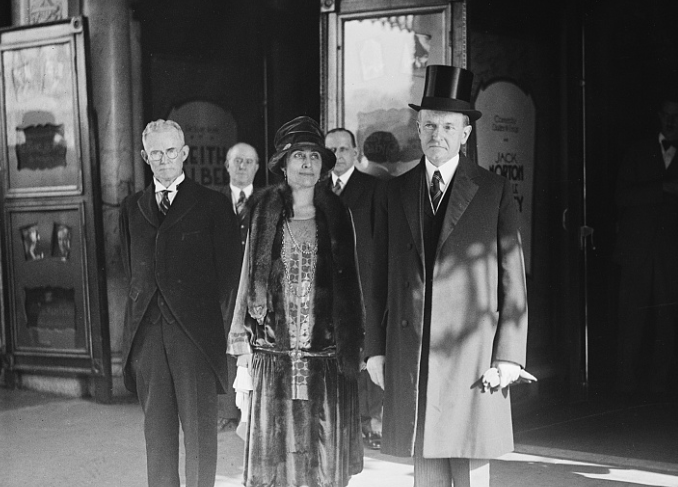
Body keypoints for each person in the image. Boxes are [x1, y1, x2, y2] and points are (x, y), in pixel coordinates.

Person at [365, 65, 530, 487]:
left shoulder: (493, 190)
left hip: (471, 352)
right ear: (418, 129)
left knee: (470, 462)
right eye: (429, 125)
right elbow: (377, 277)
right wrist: (375, 350)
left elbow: (513, 279)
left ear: (465, 134)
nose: (437, 134)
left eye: (448, 127)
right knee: (426, 466)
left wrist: (509, 356)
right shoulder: (394, 191)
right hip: (414, 353)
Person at [227, 116, 365, 487]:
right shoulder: (263, 212)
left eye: (314, 156)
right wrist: (241, 347)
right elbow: (247, 279)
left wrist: (356, 344)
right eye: (299, 156)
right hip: (273, 356)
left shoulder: (338, 215)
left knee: (322, 462)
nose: (307, 163)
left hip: (325, 358)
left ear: (323, 166)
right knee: (276, 464)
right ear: (284, 165)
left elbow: (352, 285)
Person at [119, 119, 240, 487]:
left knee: (200, 433)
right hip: (148, 336)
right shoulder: (131, 207)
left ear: (185, 153)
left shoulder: (213, 204)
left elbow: (229, 275)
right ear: (145, 157)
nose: (164, 159)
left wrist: (209, 322)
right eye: (155, 153)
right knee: (157, 432)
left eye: (171, 151)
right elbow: (131, 270)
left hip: (195, 336)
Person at [613, 94, 678, 397]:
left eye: (677, 116)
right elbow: (620, 197)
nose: (671, 121)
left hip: (672, 254)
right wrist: (661, 188)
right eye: (666, 114)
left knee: (666, 322)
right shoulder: (637, 151)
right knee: (631, 319)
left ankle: (658, 390)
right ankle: (624, 387)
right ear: (659, 116)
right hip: (636, 251)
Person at [326, 127, 388, 450]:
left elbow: (382, 240)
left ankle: (372, 422)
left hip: (364, 284)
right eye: (331, 150)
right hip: (328, 288)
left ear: (355, 152)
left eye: (343, 149)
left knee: (368, 349)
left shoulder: (374, 189)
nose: (337, 155)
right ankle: (339, 423)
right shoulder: (317, 190)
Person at [215, 142, 261, 433]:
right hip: (223, 284)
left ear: (257, 167)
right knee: (223, 342)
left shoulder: (268, 200)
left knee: (255, 341)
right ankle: (225, 411)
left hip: (256, 283)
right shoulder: (212, 200)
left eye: (248, 161)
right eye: (237, 161)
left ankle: (254, 409)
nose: (242, 166)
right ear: (227, 165)